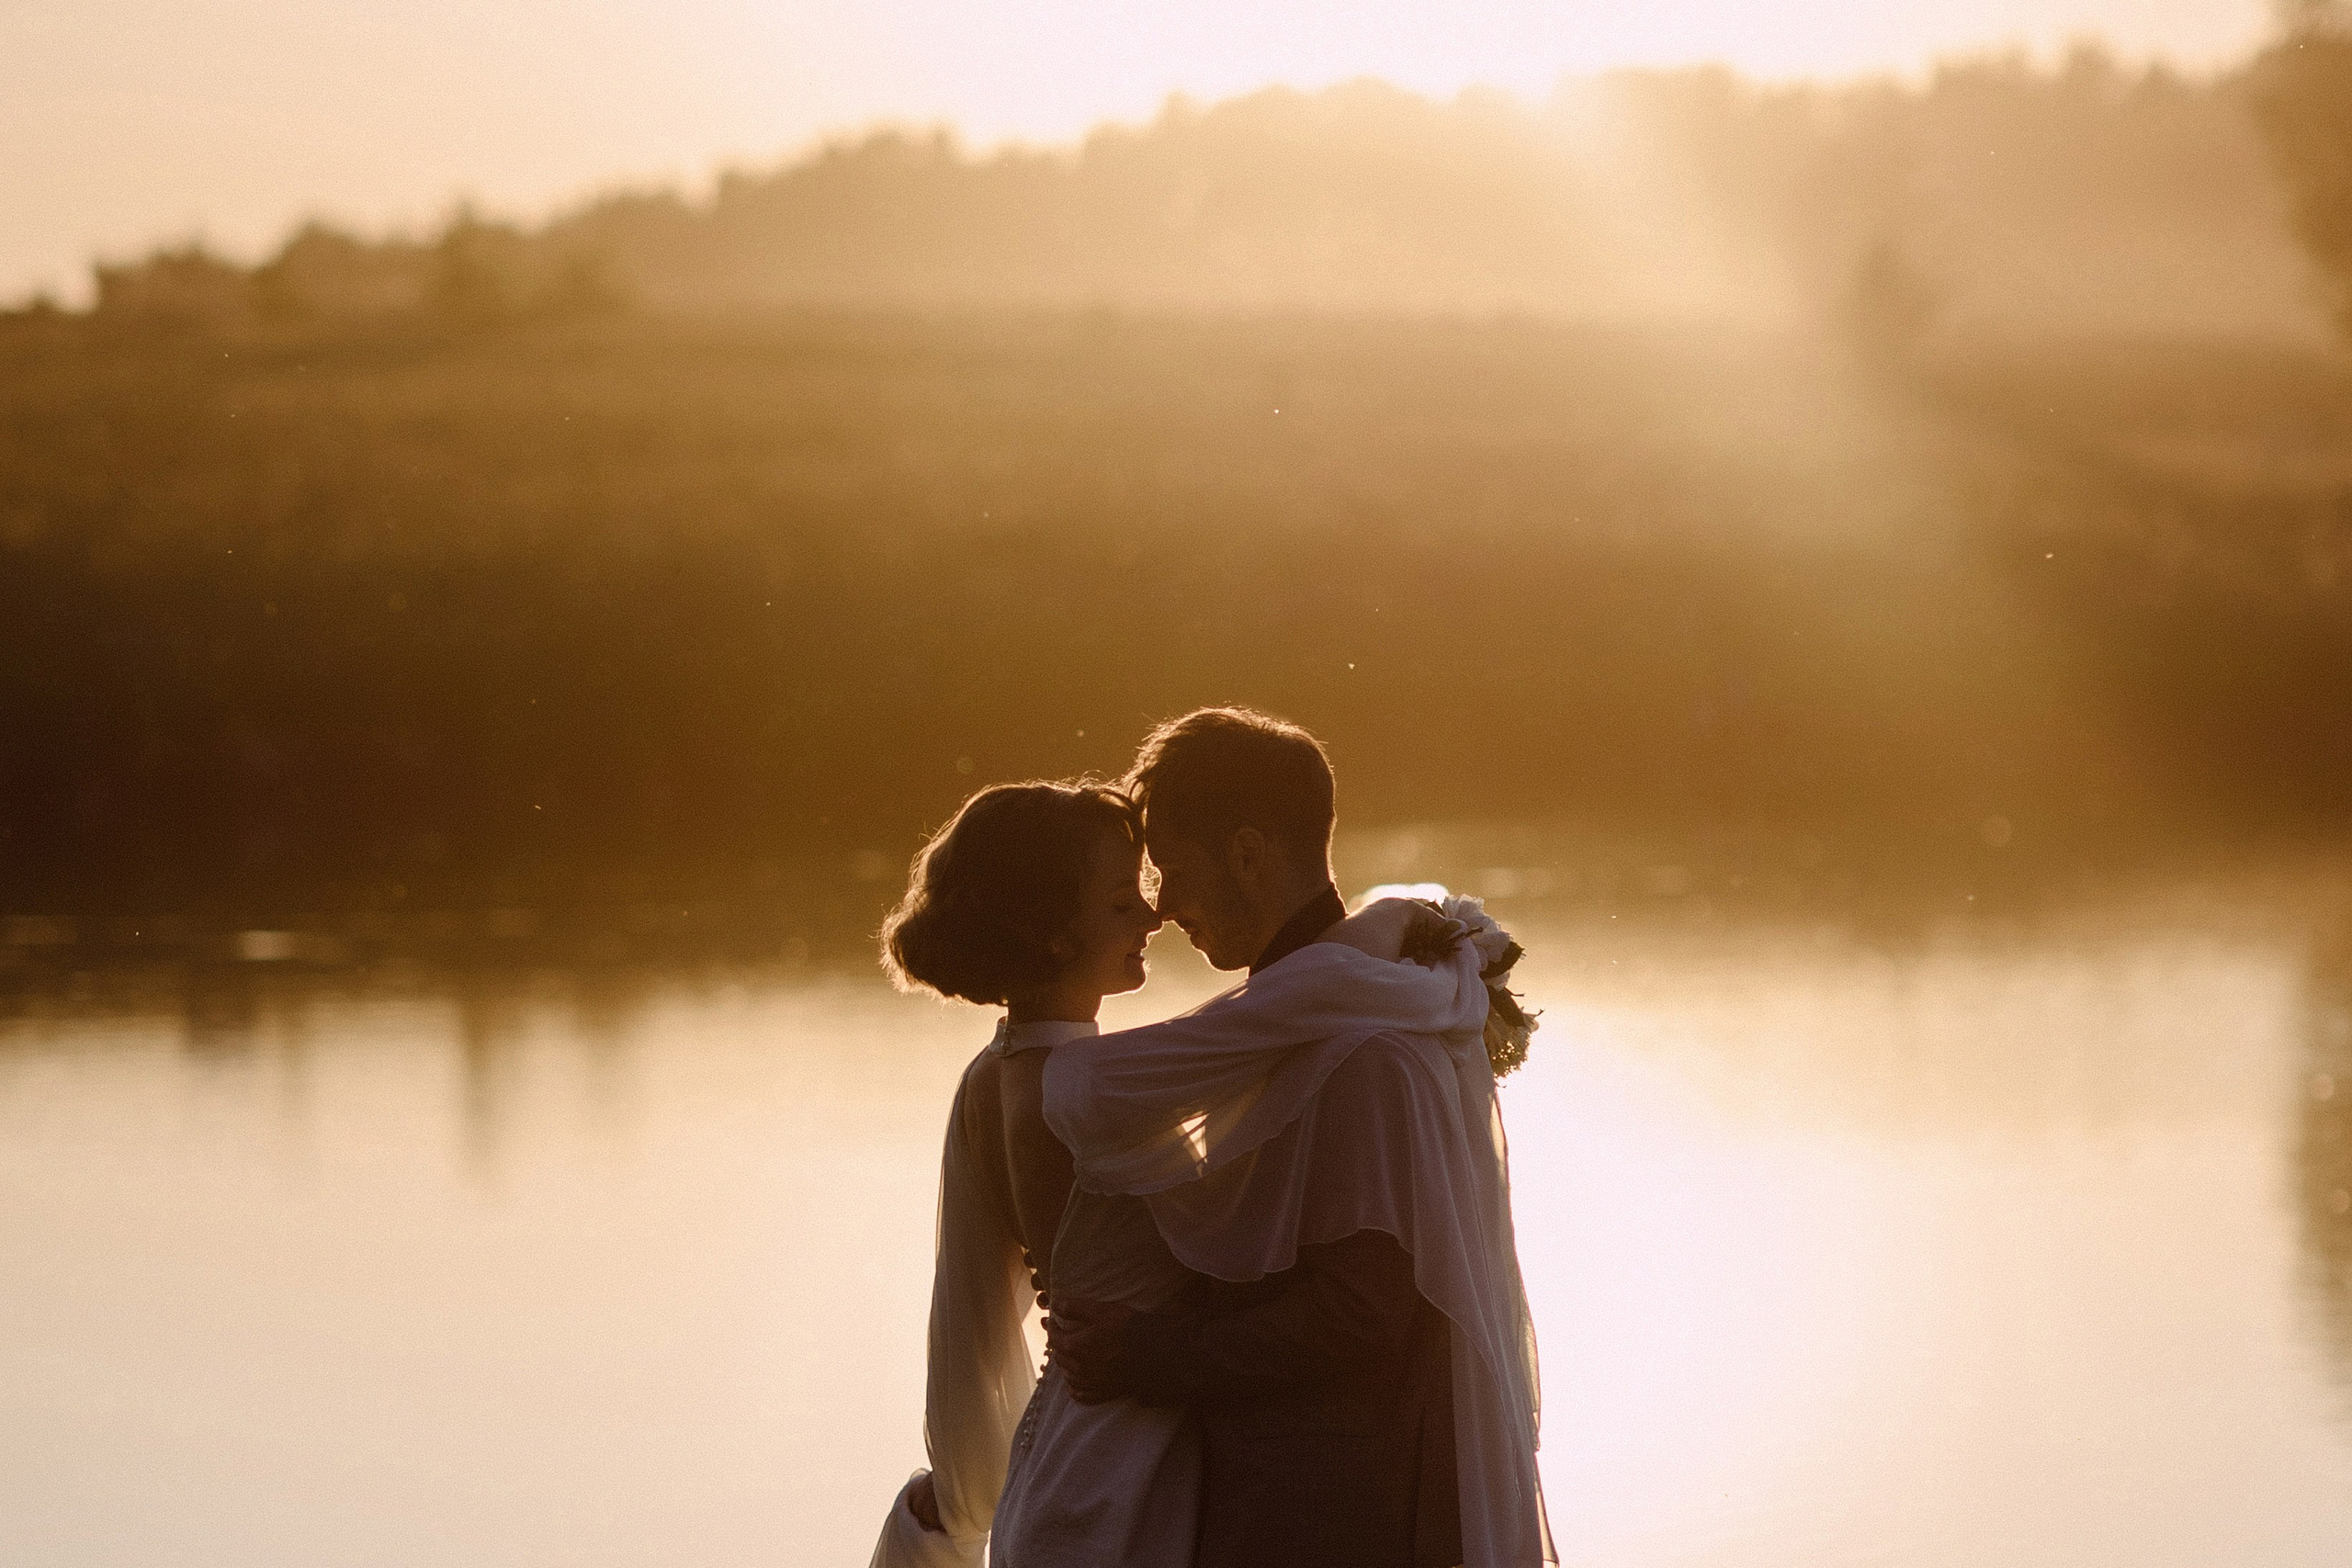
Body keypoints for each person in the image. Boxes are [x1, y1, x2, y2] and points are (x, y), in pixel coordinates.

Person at [866, 776, 1442, 1568]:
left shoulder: (986, 1082)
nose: (1152, 915)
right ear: (1051, 932)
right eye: (1119, 901)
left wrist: (960, 1501)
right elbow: (1282, 1023)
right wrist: (1426, 937)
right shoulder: (1092, 1094)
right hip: (1126, 1490)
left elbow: (970, 1328)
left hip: (1058, 1461)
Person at [1045, 707, 1553, 1568]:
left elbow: (1360, 1312)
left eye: (1171, 870)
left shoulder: (1362, 1049)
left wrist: (1142, 1350)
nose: (1162, 907)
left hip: (1347, 1515)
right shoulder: (1317, 1015)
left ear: (1248, 854)